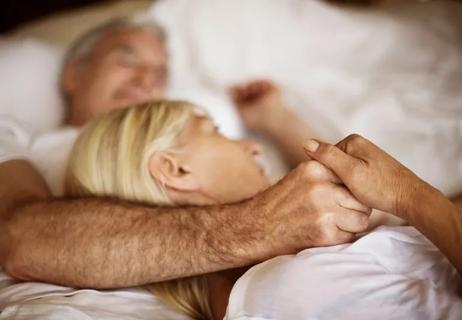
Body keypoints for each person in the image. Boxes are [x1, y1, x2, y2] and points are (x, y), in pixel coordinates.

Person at [0, 17, 369, 295]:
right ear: (73, 74)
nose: (147, 80)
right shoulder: (17, 143)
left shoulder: (202, 141)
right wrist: (259, 225)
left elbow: (354, 193)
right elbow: (19, 237)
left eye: (161, 73)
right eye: (126, 60)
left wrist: (274, 119)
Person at [64, 101, 461, 320]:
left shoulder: (288, 272)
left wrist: (278, 120)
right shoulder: (293, 289)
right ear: (175, 170)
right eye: (214, 130)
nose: (252, 147)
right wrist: (410, 194)